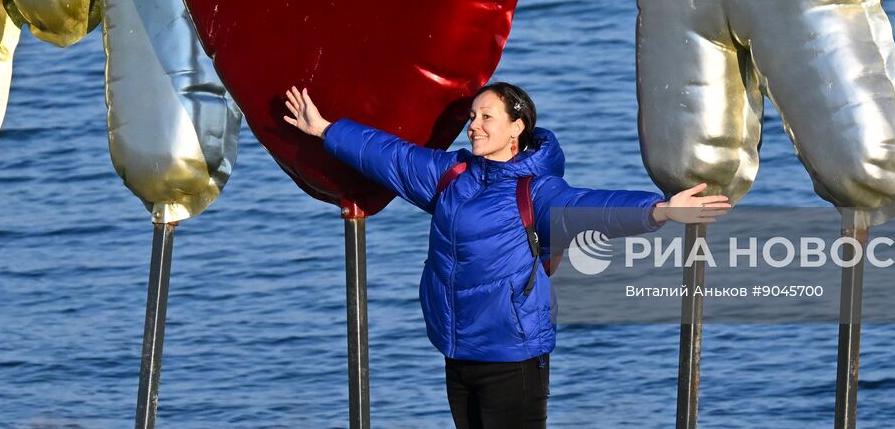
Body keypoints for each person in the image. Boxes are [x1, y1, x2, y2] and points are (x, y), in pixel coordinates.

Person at [283, 81, 730, 429]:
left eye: (486, 116)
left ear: (517, 127)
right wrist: (326, 130)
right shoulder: (451, 174)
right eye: (472, 116)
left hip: (511, 358)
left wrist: (660, 210)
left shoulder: (534, 191)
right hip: (457, 352)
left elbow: (593, 209)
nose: (473, 125)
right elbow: (391, 158)